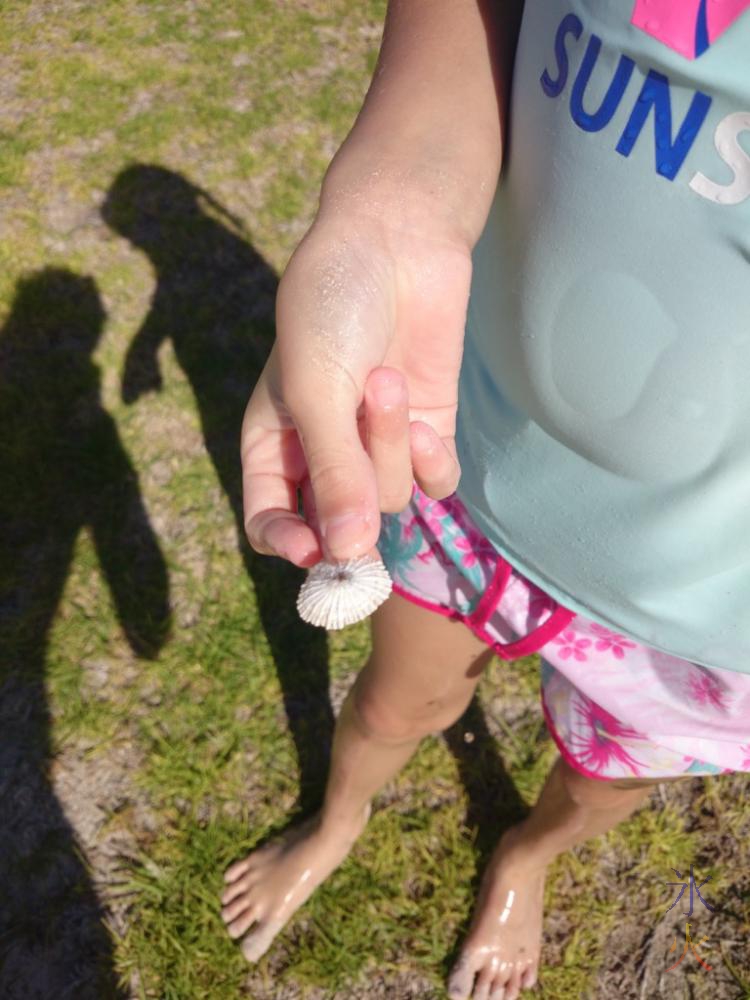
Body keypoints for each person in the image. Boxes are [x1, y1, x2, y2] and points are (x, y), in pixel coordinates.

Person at [221, 1, 750, 997]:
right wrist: (386, 210)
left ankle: (526, 858)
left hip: (721, 628)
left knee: (606, 781)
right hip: (466, 463)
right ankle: (339, 817)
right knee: (392, 703)